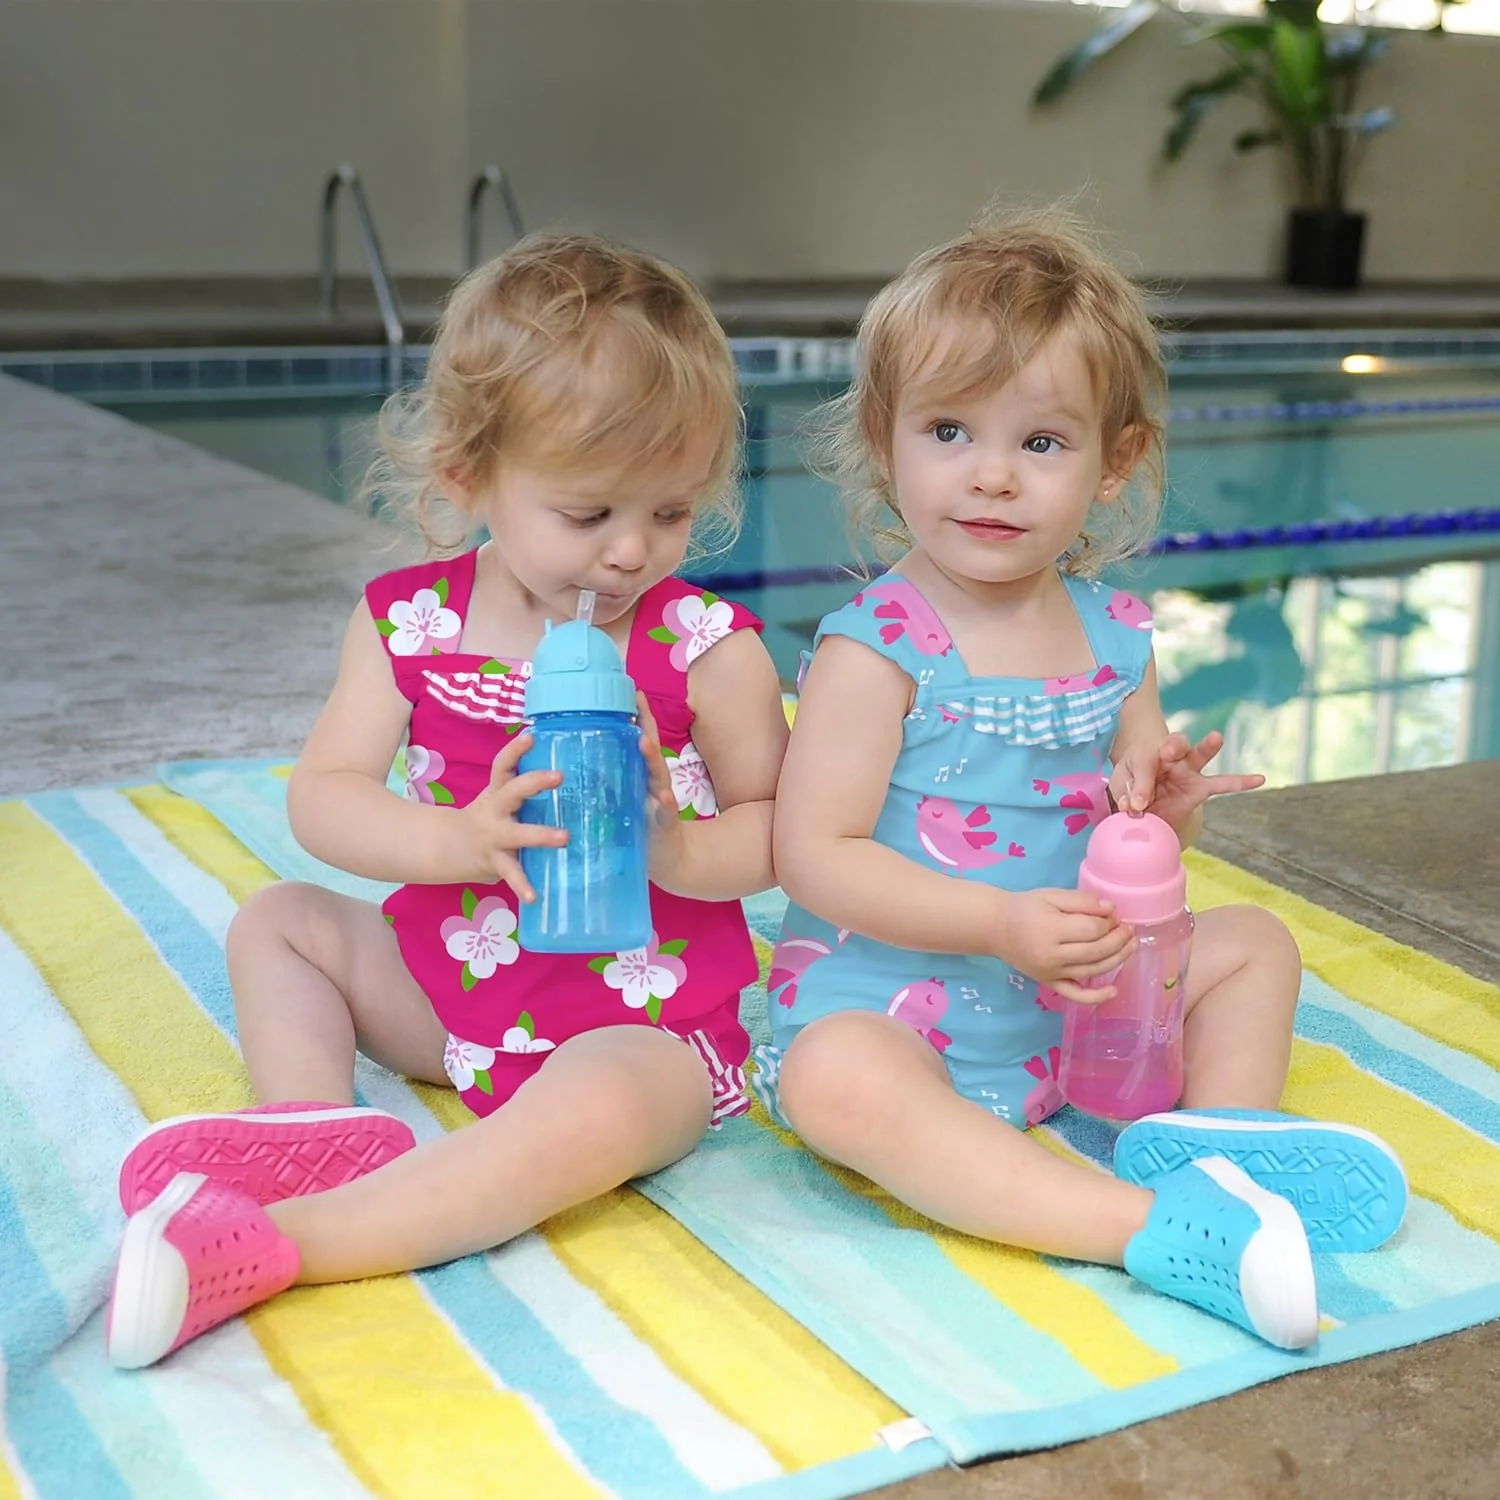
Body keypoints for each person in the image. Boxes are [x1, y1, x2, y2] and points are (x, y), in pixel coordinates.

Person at [106, 234, 789, 1369]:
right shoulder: (411, 624)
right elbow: (326, 798)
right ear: (469, 475)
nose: (631, 553)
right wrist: (458, 840)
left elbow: (781, 831)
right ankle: (309, 1127)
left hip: (639, 1024)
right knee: (282, 921)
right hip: (448, 993)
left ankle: (295, 1241)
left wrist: (679, 848)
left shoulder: (706, 647)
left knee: (603, 1113)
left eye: (670, 512)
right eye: (587, 513)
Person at [757, 212, 1406, 1351]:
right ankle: (1142, 1226)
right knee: (834, 1082)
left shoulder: (1116, 636)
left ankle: (1221, 1147)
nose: (992, 475)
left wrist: (1164, 817)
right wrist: (998, 923)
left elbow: (1126, 831)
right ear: (884, 438)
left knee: (1255, 944)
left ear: (1116, 464)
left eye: (1042, 443)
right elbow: (813, 856)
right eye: (949, 431)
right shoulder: (879, 649)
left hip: (1083, 996)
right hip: (905, 1003)